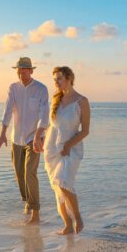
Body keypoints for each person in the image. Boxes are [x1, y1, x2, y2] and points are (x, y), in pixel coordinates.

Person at [0, 57, 49, 224]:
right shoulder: (13, 88)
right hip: (16, 138)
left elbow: (44, 113)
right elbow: (8, 110)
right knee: (19, 175)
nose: (22, 72)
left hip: (34, 138)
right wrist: (2, 133)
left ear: (31, 71)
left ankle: (36, 213)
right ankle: (27, 202)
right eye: (19, 69)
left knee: (30, 173)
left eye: (25, 69)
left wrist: (40, 133)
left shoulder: (41, 89)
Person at [43, 66, 90, 235]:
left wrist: (68, 145)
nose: (56, 82)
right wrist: (39, 139)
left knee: (63, 183)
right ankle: (67, 225)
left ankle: (77, 217)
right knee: (57, 187)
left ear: (70, 78)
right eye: (54, 79)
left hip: (71, 148)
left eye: (59, 79)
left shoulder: (82, 101)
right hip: (52, 149)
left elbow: (85, 131)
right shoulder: (56, 100)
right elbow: (51, 125)